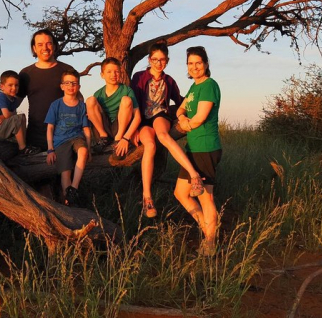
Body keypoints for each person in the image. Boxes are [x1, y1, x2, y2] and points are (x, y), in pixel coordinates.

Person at [131, 42, 203, 218]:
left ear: (167, 61)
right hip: (142, 120)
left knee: (162, 135)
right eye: (155, 59)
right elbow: (133, 103)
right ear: (149, 60)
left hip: (160, 116)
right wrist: (132, 129)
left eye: (162, 59)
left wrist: (196, 110)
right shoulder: (139, 77)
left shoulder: (169, 80)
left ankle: (194, 175)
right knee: (149, 146)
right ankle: (147, 197)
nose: (158, 63)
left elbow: (180, 100)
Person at [0, 29, 76, 150]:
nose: (45, 48)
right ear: (34, 48)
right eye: (40, 44)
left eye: (49, 43)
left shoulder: (67, 70)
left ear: (55, 46)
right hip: (35, 138)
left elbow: (77, 99)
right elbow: (12, 102)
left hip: (64, 135)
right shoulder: (26, 74)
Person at [174, 46, 221, 256]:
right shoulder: (194, 87)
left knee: (206, 197)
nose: (194, 67)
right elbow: (180, 109)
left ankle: (210, 243)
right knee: (180, 193)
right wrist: (183, 118)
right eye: (190, 64)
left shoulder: (209, 86)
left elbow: (200, 118)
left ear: (206, 64)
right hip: (193, 148)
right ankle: (208, 228)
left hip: (206, 147)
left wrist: (184, 124)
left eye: (198, 63)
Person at [45, 70, 92, 207]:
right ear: (62, 86)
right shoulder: (56, 105)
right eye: (67, 83)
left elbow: (86, 129)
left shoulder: (82, 106)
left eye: (74, 83)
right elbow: (50, 128)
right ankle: (68, 203)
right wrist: (50, 150)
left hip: (77, 138)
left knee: (83, 152)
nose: (71, 85)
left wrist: (90, 149)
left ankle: (73, 189)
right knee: (65, 174)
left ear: (78, 86)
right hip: (61, 142)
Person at [86, 57, 141, 157]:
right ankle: (103, 138)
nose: (113, 75)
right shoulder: (98, 94)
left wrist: (126, 137)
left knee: (126, 100)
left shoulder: (127, 90)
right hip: (103, 129)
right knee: (90, 100)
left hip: (120, 128)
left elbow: (137, 117)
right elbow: (92, 116)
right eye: (109, 72)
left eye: (116, 71)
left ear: (120, 73)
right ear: (102, 75)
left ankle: (118, 139)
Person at [0, 70, 40, 155]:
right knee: (18, 118)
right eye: (10, 85)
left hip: (0, 127)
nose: (14, 88)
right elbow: (7, 114)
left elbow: (10, 115)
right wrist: (5, 116)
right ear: (2, 86)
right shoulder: (1, 97)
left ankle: (23, 143)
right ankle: (22, 149)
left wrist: (3, 117)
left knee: (21, 117)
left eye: (16, 85)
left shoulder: (13, 99)